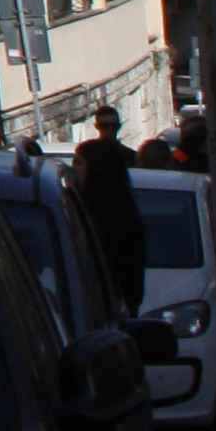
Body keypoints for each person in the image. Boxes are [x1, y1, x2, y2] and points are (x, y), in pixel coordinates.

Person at [74, 107, 146, 310]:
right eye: (104, 126)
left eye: (78, 164)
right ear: (96, 126)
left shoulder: (108, 221)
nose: (74, 169)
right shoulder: (76, 204)